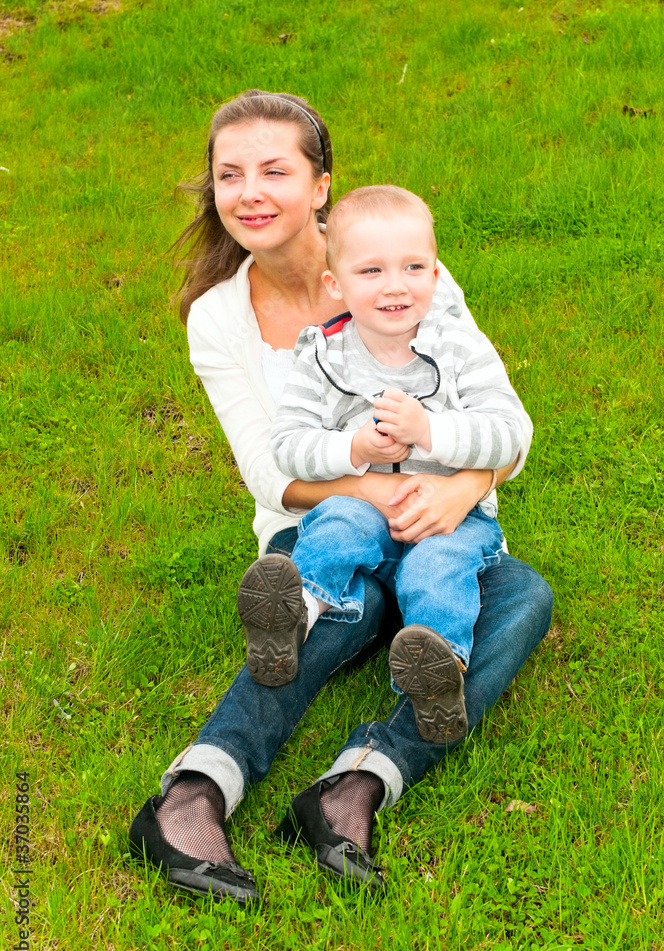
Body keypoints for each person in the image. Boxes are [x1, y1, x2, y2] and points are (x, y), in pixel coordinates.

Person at [128, 89, 553, 905]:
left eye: (274, 170)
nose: (249, 191)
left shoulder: (395, 261)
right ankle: (194, 790)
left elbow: (504, 424)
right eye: (229, 175)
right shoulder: (219, 318)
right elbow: (270, 473)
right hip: (323, 530)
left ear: (320, 185)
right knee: (333, 600)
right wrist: (374, 488)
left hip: (434, 527)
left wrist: (464, 488)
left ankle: (356, 785)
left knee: (523, 595)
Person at [238, 184, 531, 748]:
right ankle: (291, 615)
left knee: (435, 569)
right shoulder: (321, 356)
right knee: (340, 523)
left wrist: (431, 432)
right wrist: (354, 450)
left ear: (437, 274)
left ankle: (437, 672)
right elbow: (288, 446)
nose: (395, 285)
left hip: (449, 519)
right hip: (365, 508)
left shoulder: (462, 348)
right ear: (336, 284)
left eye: (414, 266)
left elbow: (509, 432)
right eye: (371, 271)